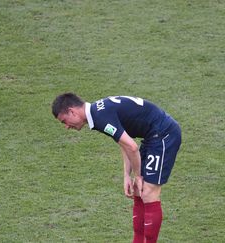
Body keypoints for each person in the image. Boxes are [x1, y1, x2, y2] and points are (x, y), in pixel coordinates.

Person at [51, 93, 181, 243]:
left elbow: (132, 147)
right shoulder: (97, 112)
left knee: (148, 191)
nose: (67, 127)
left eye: (64, 121)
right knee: (138, 191)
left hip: (164, 135)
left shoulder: (100, 117)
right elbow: (124, 142)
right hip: (152, 136)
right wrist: (127, 174)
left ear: (72, 111)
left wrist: (138, 175)